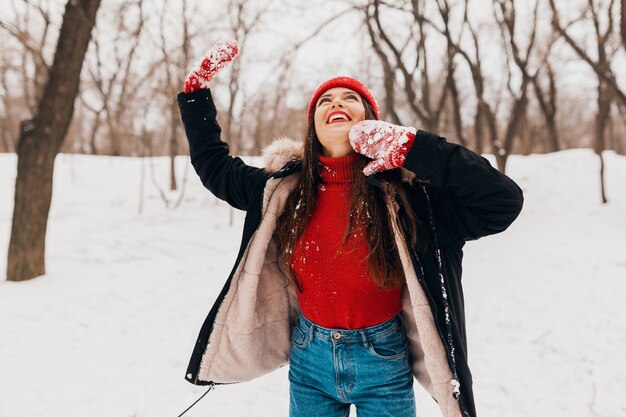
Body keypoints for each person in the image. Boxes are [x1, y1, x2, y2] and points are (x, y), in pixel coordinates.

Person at [177, 40, 523, 417]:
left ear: (372, 120)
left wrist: (415, 147)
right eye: (325, 101)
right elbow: (214, 166)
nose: (336, 103)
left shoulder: (412, 198)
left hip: (384, 359)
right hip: (310, 358)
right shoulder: (282, 190)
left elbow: (502, 201)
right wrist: (196, 98)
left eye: (349, 98)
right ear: (313, 128)